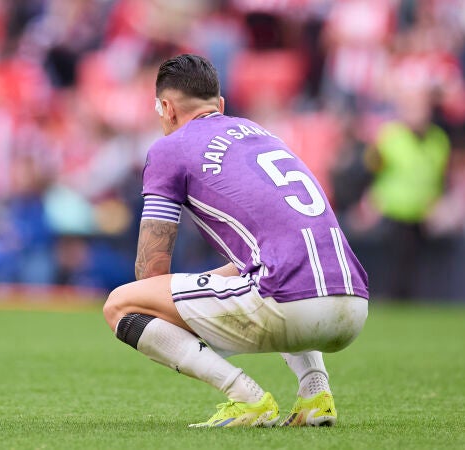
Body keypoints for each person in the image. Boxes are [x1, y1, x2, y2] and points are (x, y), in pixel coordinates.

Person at [103, 54, 369, 428]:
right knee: (271, 271)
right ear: (221, 106)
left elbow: (151, 271)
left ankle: (246, 396)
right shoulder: (263, 134)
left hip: (290, 303)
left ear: (166, 108)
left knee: (121, 304)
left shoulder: (169, 148)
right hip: (354, 305)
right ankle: (315, 393)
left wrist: (183, 313)